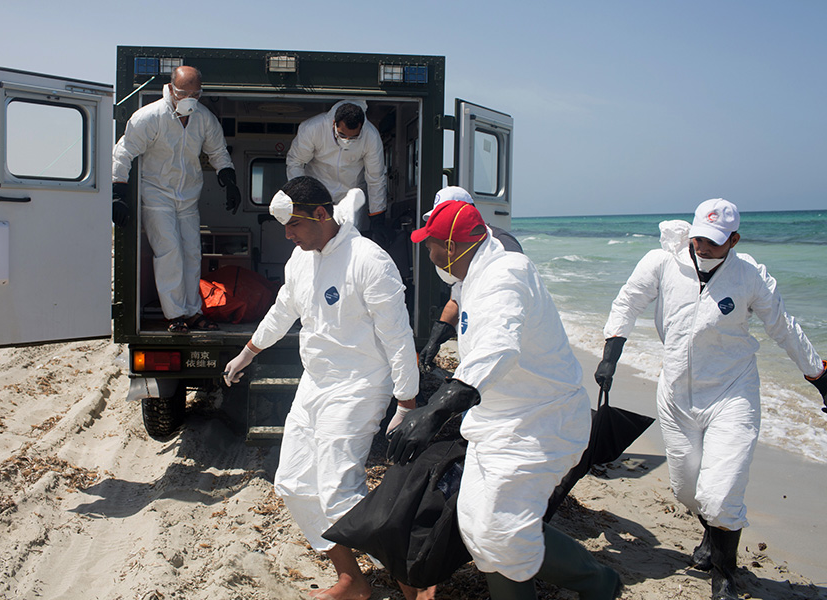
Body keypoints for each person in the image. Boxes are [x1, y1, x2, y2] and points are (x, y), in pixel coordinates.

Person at [594, 198, 827, 600]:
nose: (702, 247)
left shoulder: (749, 276)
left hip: (731, 394)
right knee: (689, 491)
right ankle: (711, 531)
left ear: (734, 239)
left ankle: (724, 577)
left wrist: (819, 377)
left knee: (720, 496)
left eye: (715, 242)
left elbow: (783, 327)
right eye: (699, 237)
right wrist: (610, 355)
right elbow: (628, 301)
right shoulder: (662, 263)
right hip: (676, 396)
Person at [389, 200, 621, 600]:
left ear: (453, 246)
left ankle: (596, 582)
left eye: (431, 245)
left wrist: (435, 410)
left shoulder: (506, 276)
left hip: (541, 423)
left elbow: (499, 348)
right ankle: (597, 580)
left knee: (501, 531)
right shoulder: (472, 276)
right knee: (479, 526)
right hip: (496, 420)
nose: (427, 253)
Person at [222, 176, 425, 600]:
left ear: (321, 214)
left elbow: (398, 336)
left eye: (293, 225)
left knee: (338, 490)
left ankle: (416, 586)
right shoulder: (300, 259)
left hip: (360, 385)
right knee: (294, 484)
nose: (287, 235)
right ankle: (352, 579)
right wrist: (250, 350)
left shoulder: (369, 261)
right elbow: (282, 310)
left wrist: (407, 400)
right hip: (314, 384)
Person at [111, 65, 242, 333]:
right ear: (171, 89)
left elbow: (218, 150)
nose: (189, 99)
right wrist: (117, 193)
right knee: (169, 252)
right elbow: (124, 152)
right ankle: (175, 316)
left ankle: (193, 312)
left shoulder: (204, 118)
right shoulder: (150, 117)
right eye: (183, 93)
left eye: (195, 94)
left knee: (193, 253)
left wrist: (229, 180)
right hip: (157, 195)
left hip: (188, 198)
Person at [417, 186, 524, 378]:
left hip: (508, 367)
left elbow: (505, 324)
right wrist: (436, 338)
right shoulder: (459, 251)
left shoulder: (502, 248)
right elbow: (456, 298)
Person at [286, 100, 390, 247]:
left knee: (348, 245)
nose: (347, 140)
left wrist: (378, 219)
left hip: (350, 197)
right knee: (313, 243)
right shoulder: (312, 128)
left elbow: (376, 179)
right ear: (334, 123)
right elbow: (295, 163)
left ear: (361, 128)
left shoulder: (371, 136)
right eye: (342, 135)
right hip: (316, 196)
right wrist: (303, 200)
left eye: (353, 137)